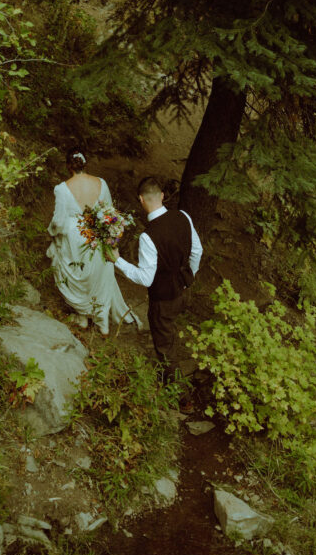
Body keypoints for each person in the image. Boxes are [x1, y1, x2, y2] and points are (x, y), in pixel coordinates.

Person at [107, 175, 202, 383]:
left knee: (165, 346)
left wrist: (117, 260)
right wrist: (188, 277)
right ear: (162, 195)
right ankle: (171, 372)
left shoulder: (148, 236)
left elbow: (146, 278)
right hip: (185, 290)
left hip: (163, 299)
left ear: (141, 200)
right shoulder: (183, 216)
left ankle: (175, 392)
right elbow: (197, 251)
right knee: (170, 331)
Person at [47, 147, 140, 335]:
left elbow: (58, 221)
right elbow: (109, 211)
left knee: (76, 272)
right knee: (99, 274)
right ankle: (101, 321)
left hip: (73, 236)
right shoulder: (101, 183)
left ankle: (82, 316)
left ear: (68, 166)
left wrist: (53, 232)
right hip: (96, 233)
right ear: (85, 164)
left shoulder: (62, 189)